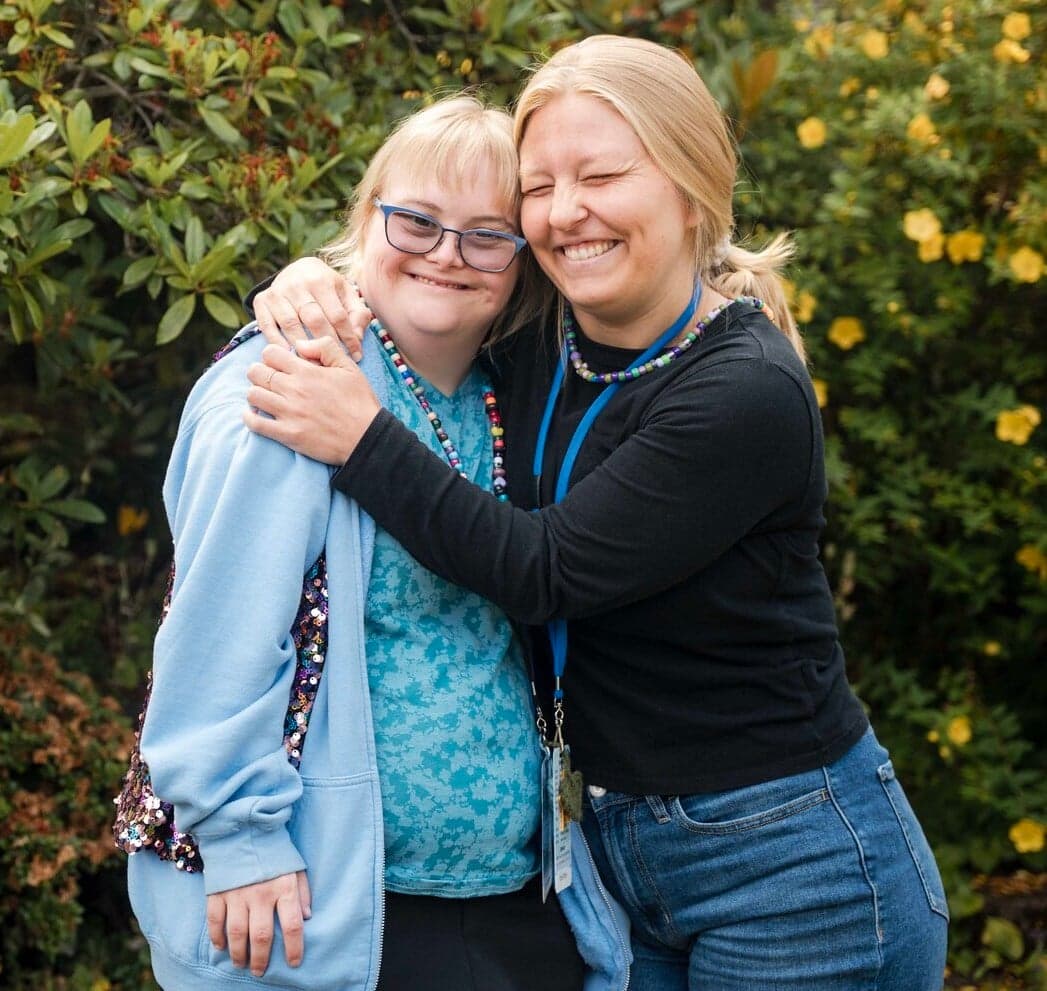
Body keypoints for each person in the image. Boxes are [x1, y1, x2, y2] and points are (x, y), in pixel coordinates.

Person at [243, 34, 951, 991]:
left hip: (793, 869)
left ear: (690, 186)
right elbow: (422, 268)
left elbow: (545, 572)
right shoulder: (541, 329)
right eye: (538, 186)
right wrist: (314, 281)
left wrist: (362, 438)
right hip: (614, 866)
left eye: (601, 175)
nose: (564, 213)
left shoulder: (743, 391)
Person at [121, 95, 633, 991]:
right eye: (416, 221)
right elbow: (215, 633)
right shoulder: (287, 382)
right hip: (330, 908)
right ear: (366, 221)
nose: (446, 253)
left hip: (516, 900)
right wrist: (241, 837)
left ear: (521, 261)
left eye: (485, 234)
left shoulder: (515, 396)